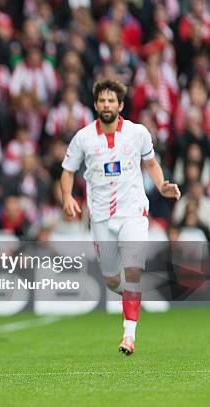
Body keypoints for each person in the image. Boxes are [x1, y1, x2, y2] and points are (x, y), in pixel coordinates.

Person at [60, 78, 180, 355]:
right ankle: (133, 298)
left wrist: (162, 185)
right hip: (100, 216)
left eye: (111, 100)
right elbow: (67, 171)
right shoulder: (84, 138)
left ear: (120, 105)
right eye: (102, 100)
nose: (106, 105)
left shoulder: (138, 133)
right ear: (95, 105)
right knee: (113, 280)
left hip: (133, 212)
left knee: (133, 270)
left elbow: (151, 163)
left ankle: (129, 336)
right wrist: (67, 197)